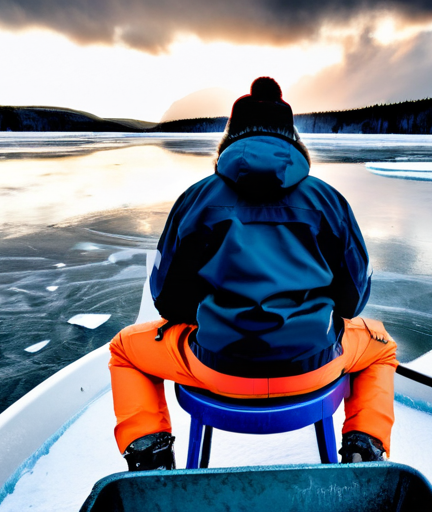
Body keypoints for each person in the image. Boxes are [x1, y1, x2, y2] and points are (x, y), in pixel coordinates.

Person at [108, 77, 397, 471]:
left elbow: (169, 301)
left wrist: (216, 314)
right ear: (293, 139)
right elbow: (350, 302)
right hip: (313, 365)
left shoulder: (196, 200)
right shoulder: (328, 201)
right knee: (382, 345)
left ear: (228, 140)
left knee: (125, 349)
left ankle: (150, 458)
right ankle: (365, 447)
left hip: (217, 368)